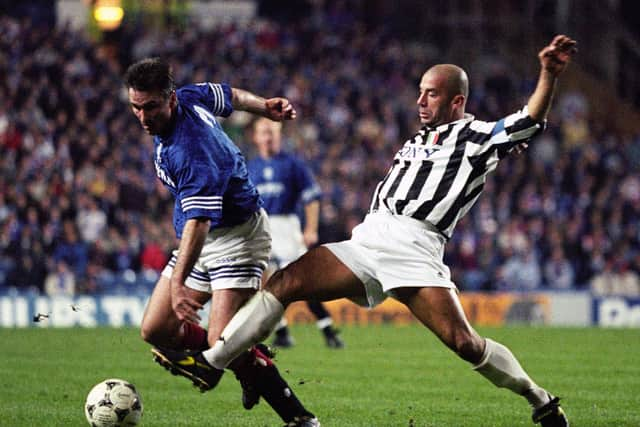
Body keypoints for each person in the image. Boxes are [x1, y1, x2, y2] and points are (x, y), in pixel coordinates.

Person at [154, 35, 577, 426]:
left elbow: (528, 121)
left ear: (456, 100)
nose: (420, 101)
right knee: (286, 281)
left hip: (416, 248)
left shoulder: (475, 137)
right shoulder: (418, 139)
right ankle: (212, 362)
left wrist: (548, 74)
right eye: (420, 92)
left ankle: (539, 398)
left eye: (431, 93)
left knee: (464, 343)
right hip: (369, 239)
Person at [124, 58, 319, 427]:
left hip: (237, 237)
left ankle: (299, 418)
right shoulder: (190, 97)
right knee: (155, 329)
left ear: (168, 100)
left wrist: (179, 283)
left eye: (150, 107)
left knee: (219, 343)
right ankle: (244, 357)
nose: (143, 117)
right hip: (202, 238)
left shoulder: (192, 150)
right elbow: (231, 96)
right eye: (136, 107)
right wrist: (264, 106)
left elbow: (199, 220)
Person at [247, 117, 344, 349]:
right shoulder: (251, 167)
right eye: (264, 132)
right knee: (264, 283)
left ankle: (327, 328)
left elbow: (311, 198)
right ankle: (281, 332)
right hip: (262, 227)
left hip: (288, 227)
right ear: (256, 137)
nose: (268, 137)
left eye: (272, 132)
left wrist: (310, 229)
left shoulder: (293, 164)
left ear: (279, 136)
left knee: (302, 282)